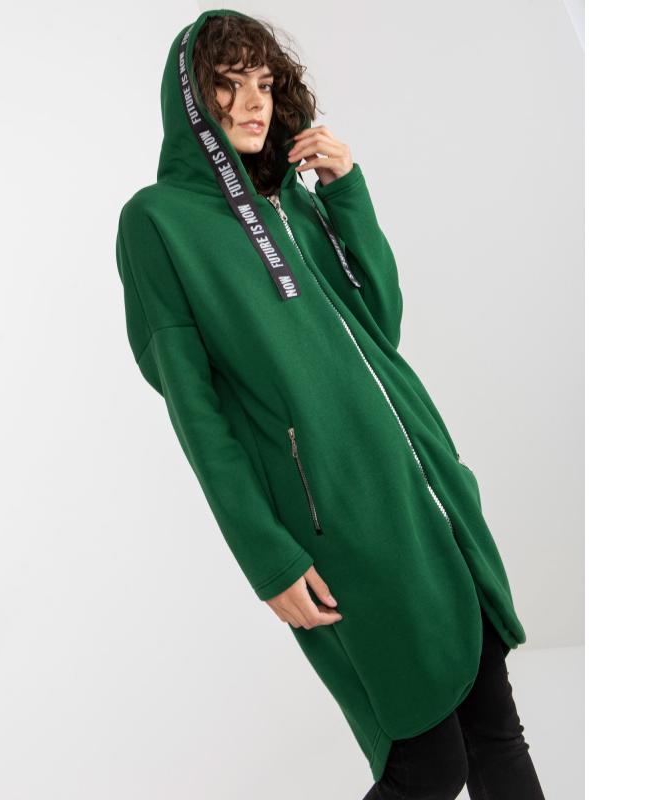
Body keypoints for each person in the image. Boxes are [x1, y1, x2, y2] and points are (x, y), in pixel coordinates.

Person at [115, 9, 546, 799]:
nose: (254, 101)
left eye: (264, 82)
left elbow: (381, 324)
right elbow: (195, 412)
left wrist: (347, 193)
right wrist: (267, 557)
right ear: (192, 98)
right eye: (228, 83)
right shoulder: (158, 221)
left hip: (429, 492)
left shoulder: (296, 201)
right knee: (427, 764)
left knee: (495, 732)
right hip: (340, 522)